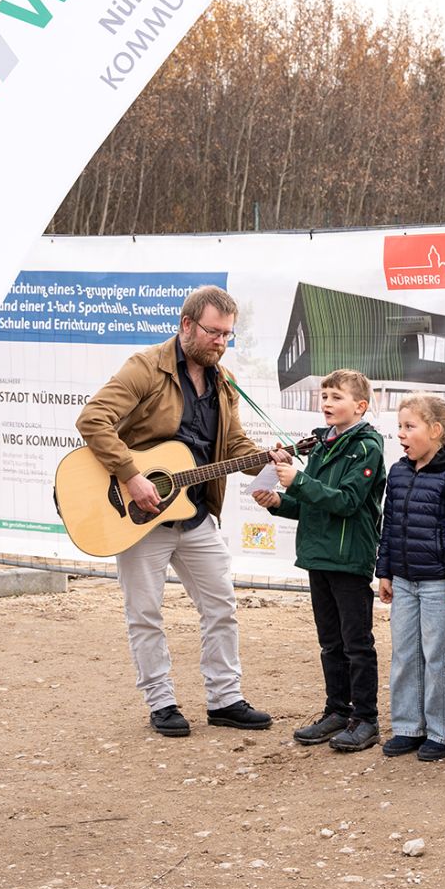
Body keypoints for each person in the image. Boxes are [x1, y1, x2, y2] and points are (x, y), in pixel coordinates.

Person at [77, 285, 274, 740]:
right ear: (187, 325)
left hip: (195, 510)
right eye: (213, 332)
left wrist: (266, 457)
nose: (220, 342)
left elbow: (233, 446)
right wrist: (130, 474)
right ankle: (161, 703)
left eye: (228, 335)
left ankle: (225, 700)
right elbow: (93, 419)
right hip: (138, 515)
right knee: (145, 613)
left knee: (222, 606)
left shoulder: (224, 383)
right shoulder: (146, 367)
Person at [255, 368, 386, 752]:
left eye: (336, 397)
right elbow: (312, 504)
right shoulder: (323, 443)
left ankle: (366, 718)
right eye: (324, 396)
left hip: (348, 558)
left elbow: (345, 501)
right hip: (318, 556)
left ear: (360, 406)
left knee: (356, 643)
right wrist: (279, 501)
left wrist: (297, 481)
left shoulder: (367, 448)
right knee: (330, 642)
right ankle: (336, 711)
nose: (327, 403)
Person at [374, 393, 445, 762]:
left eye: (409, 426)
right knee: (404, 655)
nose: (401, 434)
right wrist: (384, 571)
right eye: (399, 427)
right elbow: (389, 526)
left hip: (438, 583)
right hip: (403, 580)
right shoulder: (400, 471)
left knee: (439, 657)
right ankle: (408, 726)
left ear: (436, 430)